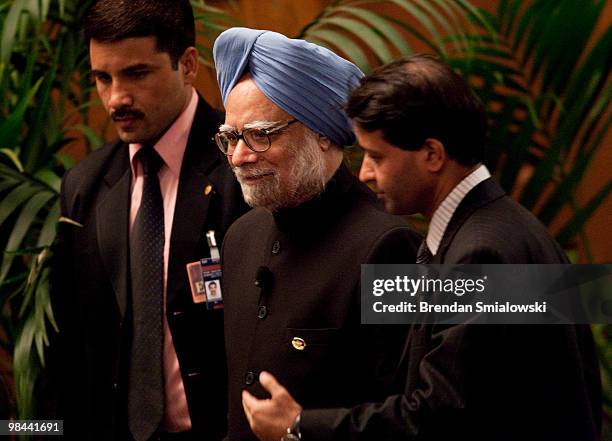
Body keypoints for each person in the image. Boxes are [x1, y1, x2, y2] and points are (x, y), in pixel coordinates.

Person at [242, 55, 602, 441]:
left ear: (432, 154)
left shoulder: (482, 253)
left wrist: (297, 426)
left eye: (377, 156)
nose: (364, 172)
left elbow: (440, 416)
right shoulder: (502, 227)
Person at [44, 1, 248, 440]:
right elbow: (69, 345)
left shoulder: (244, 165)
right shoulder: (84, 186)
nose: (116, 98)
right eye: (102, 78)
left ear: (188, 65)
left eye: (136, 74)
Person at [212, 28, 421, 441]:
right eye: (231, 137)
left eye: (260, 135)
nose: (238, 157)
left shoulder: (387, 245)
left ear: (321, 133)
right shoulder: (240, 237)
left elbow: (404, 417)